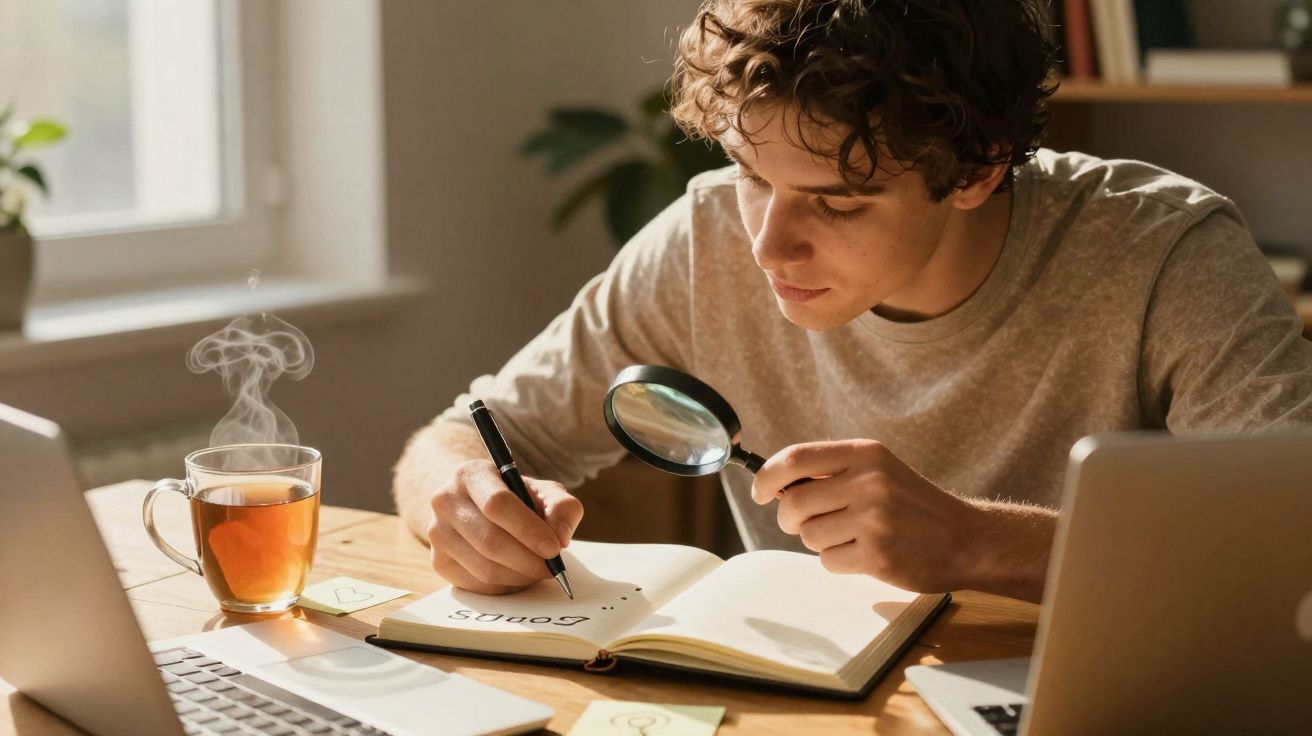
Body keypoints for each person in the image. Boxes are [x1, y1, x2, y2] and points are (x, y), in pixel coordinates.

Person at [393, 0, 1312, 604]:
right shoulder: (706, 240)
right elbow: (465, 436)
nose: (767, 246)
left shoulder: (1165, 254)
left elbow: (1293, 546)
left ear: (978, 169)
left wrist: (979, 543)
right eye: (752, 175)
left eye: (837, 202)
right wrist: (458, 500)